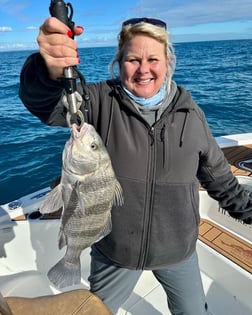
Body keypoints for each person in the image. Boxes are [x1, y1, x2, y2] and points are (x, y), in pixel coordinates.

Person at [19, 16, 252, 315]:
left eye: (153, 58)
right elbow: (45, 104)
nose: (144, 69)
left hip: (178, 252)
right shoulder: (98, 101)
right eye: (133, 59)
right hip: (115, 252)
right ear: (119, 62)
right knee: (96, 311)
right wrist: (46, 69)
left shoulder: (191, 115)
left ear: (168, 61)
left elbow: (222, 181)